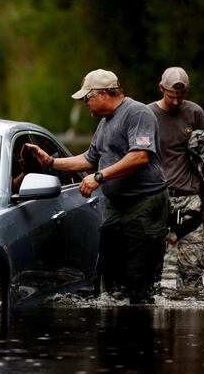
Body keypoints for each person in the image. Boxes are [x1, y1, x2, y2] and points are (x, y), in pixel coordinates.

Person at [25, 69, 169, 304]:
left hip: (145, 205)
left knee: (139, 280)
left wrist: (99, 177)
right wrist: (51, 162)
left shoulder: (137, 113)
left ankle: (142, 332)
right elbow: (89, 158)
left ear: (103, 94)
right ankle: (113, 331)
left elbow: (140, 156)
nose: (85, 104)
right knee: (108, 279)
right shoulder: (104, 123)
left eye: (86, 98)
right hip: (116, 207)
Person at [149, 67, 204, 291]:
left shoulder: (195, 114)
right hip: (156, 200)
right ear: (162, 88)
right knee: (149, 269)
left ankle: (189, 319)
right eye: (172, 96)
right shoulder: (146, 115)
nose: (177, 101)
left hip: (189, 201)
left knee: (192, 270)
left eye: (182, 96)